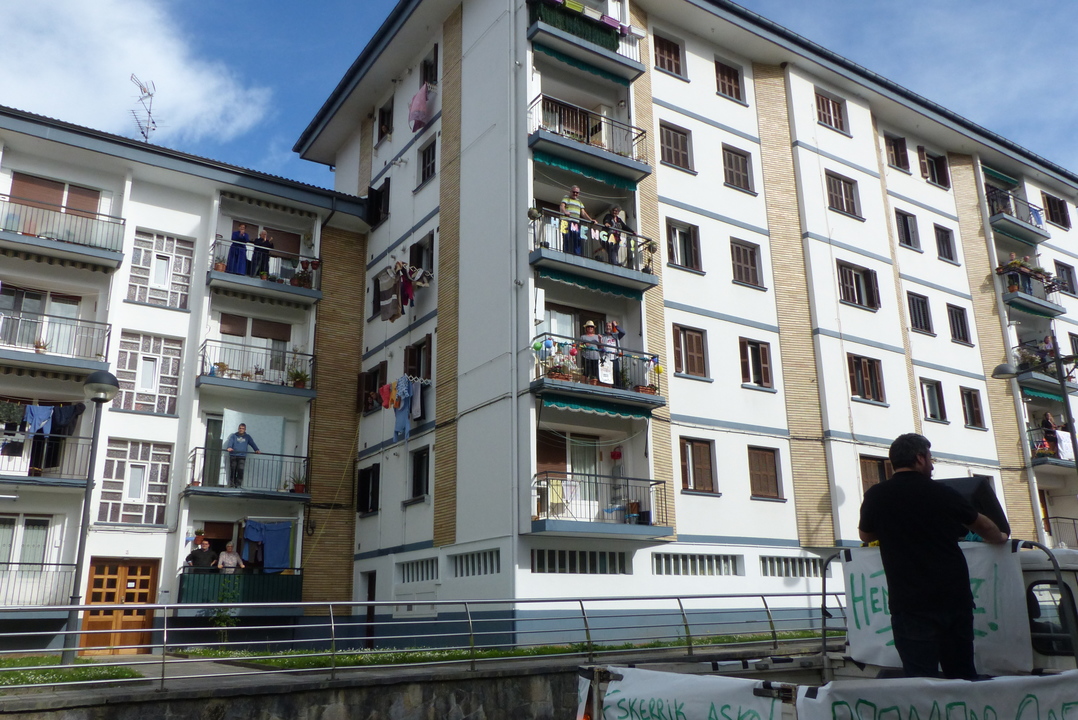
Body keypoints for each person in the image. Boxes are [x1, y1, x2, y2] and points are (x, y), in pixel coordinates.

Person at [858, 433, 1008, 679]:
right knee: (961, 675)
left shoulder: (876, 495)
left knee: (920, 679)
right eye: (930, 458)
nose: (932, 464)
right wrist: (1000, 537)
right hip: (952, 600)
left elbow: (865, 535)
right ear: (919, 458)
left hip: (909, 604)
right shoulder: (942, 493)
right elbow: (983, 526)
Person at [224, 423, 261, 488]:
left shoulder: (247, 437)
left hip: (242, 456)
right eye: (240, 428)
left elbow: (252, 443)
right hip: (233, 455)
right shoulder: (234, 436)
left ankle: (238, 485)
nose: (241, 430)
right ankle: (232, 485)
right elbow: (230, 443)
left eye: (243, 428)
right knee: (233, 470)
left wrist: (256, 450)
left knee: (240, 470)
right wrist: (229, 447)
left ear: (245, 429)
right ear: (238, 429)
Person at [559, 186, 594, 255]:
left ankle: (577, 254)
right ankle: (566, 253)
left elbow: (583, 213)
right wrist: (565, 212)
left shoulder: (579, 202)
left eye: (577, 193)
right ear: (570, 192)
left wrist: (591, 220)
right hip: (565, 222)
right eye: (574, 192)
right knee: (566, 237)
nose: (575, 194)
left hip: (575, 223)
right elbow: (562, 206)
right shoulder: (566, 198)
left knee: (577, 238)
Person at [601, 320, 625, 387]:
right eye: (607, 326)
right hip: (606, 358)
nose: (608, 327)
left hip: (615, 357)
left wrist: (616, 325)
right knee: (607, 373)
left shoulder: (616, 336)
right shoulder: (603, 336)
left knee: (616, 373)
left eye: (609, 326)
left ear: (612, 327)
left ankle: (617, 387)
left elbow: (623, 332)